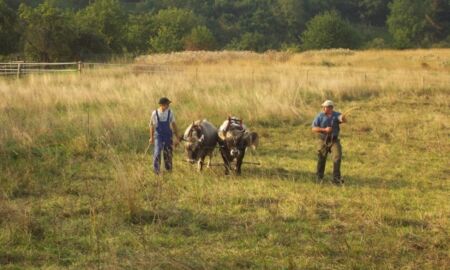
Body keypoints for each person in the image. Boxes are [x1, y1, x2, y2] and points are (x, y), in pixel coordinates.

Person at [311, 100, 346, 184]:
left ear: (331, 108)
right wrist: (324, 129)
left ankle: (336, 179)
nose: (323, 108)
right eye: (323, 107)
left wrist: (343, 118)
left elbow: (342, 120)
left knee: (337, 157)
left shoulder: (336, 115)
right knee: (321, 157)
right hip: (323, 140)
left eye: (325, 107)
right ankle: (319, 178)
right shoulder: (319, 116)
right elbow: (313, 128)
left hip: (334, 140)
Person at [149, 97, 180, 174]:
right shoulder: (155, 113)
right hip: (158, 136)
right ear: (161, 105)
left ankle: (169, 169)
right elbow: (151, 126)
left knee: (168, 153)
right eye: (167, 104)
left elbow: (173, 125)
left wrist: (177, 136)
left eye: (168, 104)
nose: (168, 106)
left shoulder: (170, 112)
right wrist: (151, 137)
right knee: (157, 152)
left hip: (167, 136)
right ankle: (156, 171)